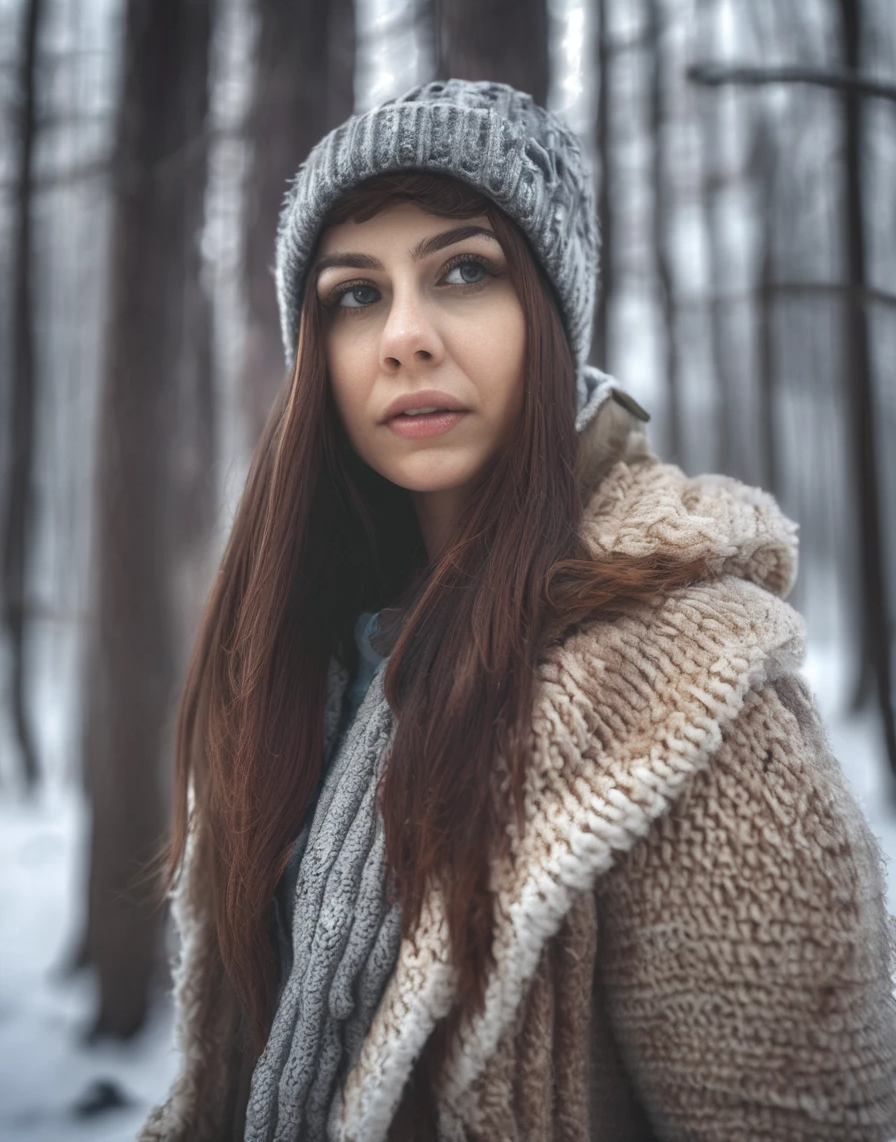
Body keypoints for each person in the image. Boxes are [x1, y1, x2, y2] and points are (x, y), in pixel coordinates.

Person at [139, 81, 896, 1142]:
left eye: (463, 271)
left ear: (548, 313)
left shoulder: (687, 709)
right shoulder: (303, 660)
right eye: (353, 294)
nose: (403, 336)